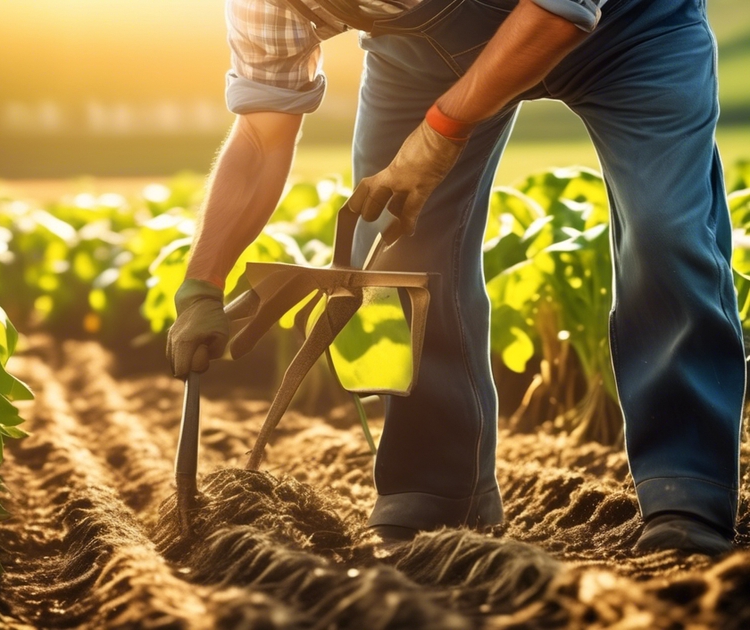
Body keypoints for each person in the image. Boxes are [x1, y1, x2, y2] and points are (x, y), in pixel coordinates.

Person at [166, 0, 744, 556]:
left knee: (665, 227)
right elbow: (263, 138)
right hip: (428, 56)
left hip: (632, 30)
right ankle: (439, 483)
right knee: (400, 244)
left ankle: (686, 483)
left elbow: (557, 12)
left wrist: (442, 129)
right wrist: (202, 284)